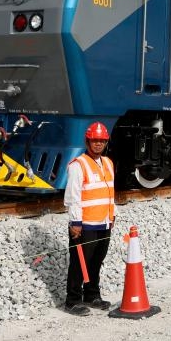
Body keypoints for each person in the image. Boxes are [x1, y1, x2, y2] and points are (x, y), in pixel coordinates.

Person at [63, 121, 116, 315]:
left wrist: (112, 215)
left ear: (106, 142)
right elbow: (73, 196)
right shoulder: (78, 165)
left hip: (104, 222)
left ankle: (92, 295)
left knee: (97, 260)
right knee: (79, 262)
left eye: (102, 140)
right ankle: (72, 301)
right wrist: (75, 222)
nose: (98, 144)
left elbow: (109, 191)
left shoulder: (108, 163)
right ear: (87, 142)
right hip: (85, 224)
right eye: (95, 140)